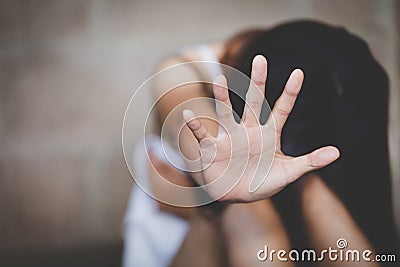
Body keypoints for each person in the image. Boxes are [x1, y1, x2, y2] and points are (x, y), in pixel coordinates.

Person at [123, 20, 397, 266]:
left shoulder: (331, 85)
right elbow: (181, 103)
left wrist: (304, 181)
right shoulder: (187, 68)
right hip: (200, 242)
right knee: (245, 208)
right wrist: (222, 173)